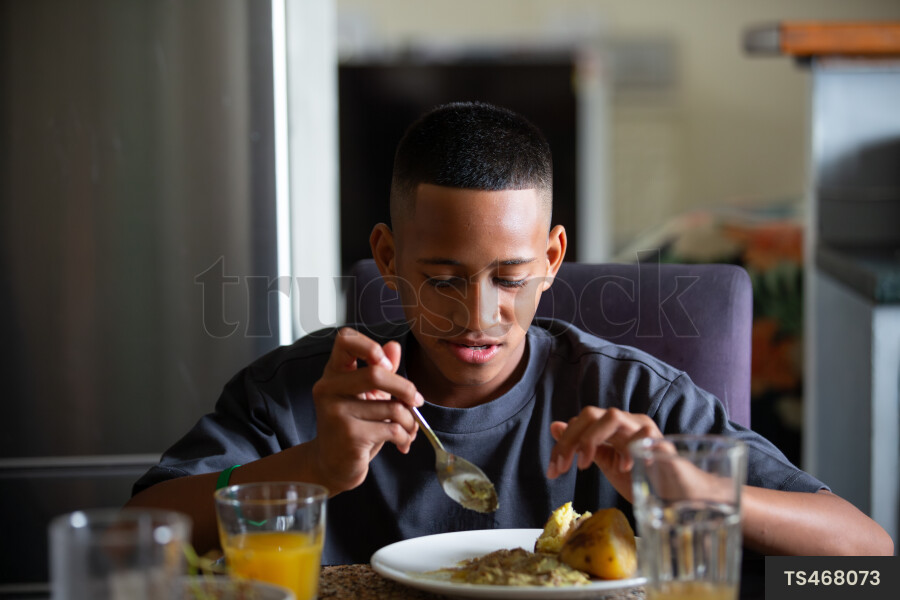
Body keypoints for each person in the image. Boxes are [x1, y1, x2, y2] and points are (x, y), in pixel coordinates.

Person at [127, 101, 893, 563]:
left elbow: (867, 561)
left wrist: (695, 494)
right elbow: (137, 533)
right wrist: (313, 467)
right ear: (388, 260)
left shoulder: (630, 397)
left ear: (553, 257)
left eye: (511, 276)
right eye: (444, 277)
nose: (479, 315)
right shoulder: (307, 394)